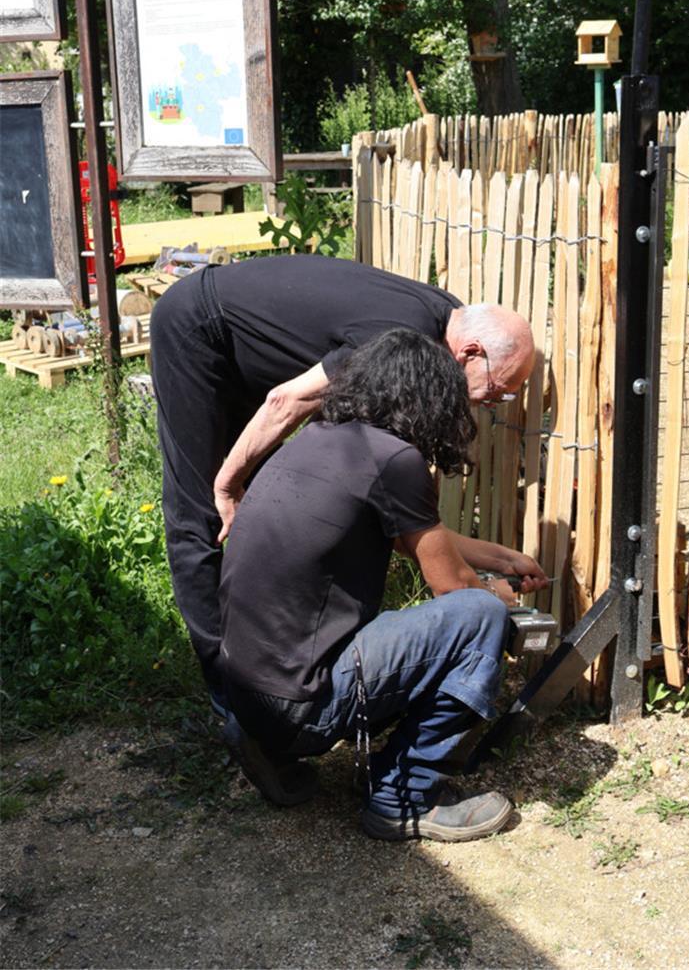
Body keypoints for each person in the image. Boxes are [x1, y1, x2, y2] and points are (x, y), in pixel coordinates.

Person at [150, 254, 535, 716]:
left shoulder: (441, 327)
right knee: (200, 516)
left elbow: (393, 517)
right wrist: (228, 484)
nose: (491, 403)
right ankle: (230, 698)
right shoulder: (400, 338)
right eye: (497, 389)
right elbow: (285, 401)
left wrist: (498, 558)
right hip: (200, 329)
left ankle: (264, 670)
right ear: (470, 352)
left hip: (249, 352)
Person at [218, 328, 548, 841]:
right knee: (479, 617)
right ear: (431, 398)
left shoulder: (322, 441)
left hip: (247, 691)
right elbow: (453, 589)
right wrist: (497, 595)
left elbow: (414, 537)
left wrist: (503, 558)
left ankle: (266, 743)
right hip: (304, 705)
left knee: (458, 612)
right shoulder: (394, 460)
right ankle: (405, 796)